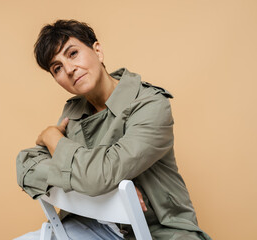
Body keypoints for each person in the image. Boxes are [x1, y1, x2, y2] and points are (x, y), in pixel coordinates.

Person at [15, 19, 211, 240]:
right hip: (93, 226)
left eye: (72, 54)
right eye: (57, 68)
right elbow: (26, 165)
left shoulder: (150, 104)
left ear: (97, 51)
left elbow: (98, 175)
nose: (69, 70)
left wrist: (52, 138)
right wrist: (108, 192)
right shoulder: (74, 111)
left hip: (159, 232)